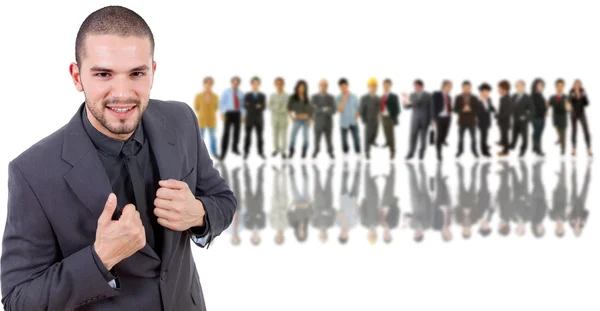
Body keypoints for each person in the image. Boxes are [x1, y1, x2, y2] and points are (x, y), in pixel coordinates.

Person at [1, 6, 236, 311]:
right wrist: (99, 259)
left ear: (153, 72)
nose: (122, 93)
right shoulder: (32, 172)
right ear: (77, 76)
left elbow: (223, 199)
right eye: (103, 74)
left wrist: (200, 214)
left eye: (137, 73)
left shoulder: (180, 120)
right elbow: (18, 299)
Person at [402, 79, 435, 160]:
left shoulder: (428, 95)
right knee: (412, 136)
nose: (415, 87)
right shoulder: (412, 95)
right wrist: (405, 103)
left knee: (423, 137)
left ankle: (421, 154)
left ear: (421, 86)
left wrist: (432, 119)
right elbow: (407, 107)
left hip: (425, 119)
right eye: (414, 86)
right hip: (415, 119)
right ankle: (411, 153)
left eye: (416, 86)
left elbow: (432, 107)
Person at [219, 76, 244, 160]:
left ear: (238, 84)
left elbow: (242, 105)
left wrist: (243, 114)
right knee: (226, 133)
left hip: (237, 113)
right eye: (234, 82)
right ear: (232, 82)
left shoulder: (241, 93)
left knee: (237, 132)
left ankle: (235, 148)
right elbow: (222, 103)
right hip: (229, 113)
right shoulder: (226, 91)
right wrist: (222, 113)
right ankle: (223, 152)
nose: (235, 84)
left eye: (237, 82)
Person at [453, 80, 481, 158]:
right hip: (461, 122)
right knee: (460, 138)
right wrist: (462, 109)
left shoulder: (475, 97)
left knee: (473, 138)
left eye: (468, 88)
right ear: (462, 88)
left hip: (472, 122)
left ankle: (474, 151)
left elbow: (478, 110)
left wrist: (470, 109)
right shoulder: (458, 97)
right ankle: (460, 151)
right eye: (465, 88)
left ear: (470, 88)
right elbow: (455, 109)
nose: (467, 89)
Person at [287, 80, 314, 158]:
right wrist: (292, 118)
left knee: (306, 136)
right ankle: (291, 150)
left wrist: (310, 119)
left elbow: (311, 110)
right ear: (297, 87)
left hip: (306, 120)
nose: (301, 89)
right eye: (300, 87)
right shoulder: (293, 97)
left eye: (303, 87)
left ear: (305, 88)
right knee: (293, 135)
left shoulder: (307, 98)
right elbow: (289, 109)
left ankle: (304, 150)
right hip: (297, 119)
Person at [194, 76, 219, 158]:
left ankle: (214, 152)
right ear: (204, 84)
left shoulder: (215, 96)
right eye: (207, 83)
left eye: (210, 83)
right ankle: (200, 153)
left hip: (211, 119)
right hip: (202, 119)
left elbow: (216, 107)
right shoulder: (199, 96)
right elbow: (196, 107)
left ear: (212, 85)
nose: (208, 85)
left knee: (213, 137)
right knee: (200, 137)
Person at [242, 76, 266, 160]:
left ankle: (261, 152)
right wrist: (257, 106)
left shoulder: (262, 96)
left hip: (259, 119)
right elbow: (245, 106)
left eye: (257, 83)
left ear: (259, 85)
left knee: (260, 136)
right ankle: (246, 152)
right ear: (251, 85)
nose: (255, 85)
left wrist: (251, 105)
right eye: (254, 83)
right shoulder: (247, 95)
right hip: (249, 118)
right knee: (247, 136)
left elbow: (263, 107)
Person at [311, 79, 336, 159]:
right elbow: (313, 110)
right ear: (319, 86)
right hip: (318, 123)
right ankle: (316, 150)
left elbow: (333, 110)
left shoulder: (331, 97)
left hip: (328, 123)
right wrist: (325, 108)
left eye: (325, 85)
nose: (323, 87)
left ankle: (330, 151)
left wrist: (319, 108)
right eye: (322, 85)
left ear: (327, 87)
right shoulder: (314, 97)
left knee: (329, 139)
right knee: (316, 139)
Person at [336, 78, 361, 156]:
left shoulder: (354, 96)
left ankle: (358, 153)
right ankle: (345, 154)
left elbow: (358, 108)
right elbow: (339, 110)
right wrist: (344, 98)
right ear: (339, 87)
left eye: (345, 86)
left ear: (348, 86)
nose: (343, 88)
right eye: (341, 86)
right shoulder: (337, 98)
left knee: (357, 139)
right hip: (343, 123)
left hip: (353, 122)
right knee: (344, 141)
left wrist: (357, 117)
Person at [359, 77, 382, 160]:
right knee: (367, 136)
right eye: (371, 86)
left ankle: (373, 141)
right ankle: (367, 151)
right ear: (368, 87)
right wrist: (364, 120)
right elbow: (361, 110)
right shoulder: (364, 98)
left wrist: (379, 113)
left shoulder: (378, 98)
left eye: (375, 86)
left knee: (375, 132)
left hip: (376, 119)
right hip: (368, 120)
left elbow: (379, 108)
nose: (373, 88)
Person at [569, 79, 592, 157]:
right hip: (573, 113)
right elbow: (569, 102)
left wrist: (583, 96)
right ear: (574, 85)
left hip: (582, 113)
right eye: (576, 84)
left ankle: (589, 148)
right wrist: (574, 96)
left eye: (578, 84)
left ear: (580, 85)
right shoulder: (571, 92)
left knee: (586, 130)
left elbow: (587, 103)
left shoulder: (583, 92)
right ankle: (574, 149)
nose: (577, 86)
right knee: (574, 131)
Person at [510, 80, 533, 157]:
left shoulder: (528, 97)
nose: (518, 87)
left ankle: (523, 150)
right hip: (515, 119)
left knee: (524, 137)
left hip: (523, 121)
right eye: (517, 86)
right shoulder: (513, 96)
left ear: (523, 87)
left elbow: (532, 110)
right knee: (514, 135)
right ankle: (512, 146)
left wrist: (525, 116)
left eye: (520, 85)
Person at [269, 77, 290, 159]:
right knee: (275, 135)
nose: (279, 85)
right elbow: (269, 107)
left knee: (284, 135)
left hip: (283, 118)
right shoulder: (272, 95)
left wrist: (275, 107)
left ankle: (283, 151)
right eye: (277, 83)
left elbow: (286, 108)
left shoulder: (287, 96)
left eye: (280, 83)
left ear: (283, 84)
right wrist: (279, 106)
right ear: (275, 85)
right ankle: (276, 149)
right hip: (274, 118)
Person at [432, 80, 453, 161]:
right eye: (448, 86)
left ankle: (443, 140)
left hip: (448, 117)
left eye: (451, 87)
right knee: (439, 135)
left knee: (446, 132)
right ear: (443, 86)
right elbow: (432, 106)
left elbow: (449, 107)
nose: (450, 88)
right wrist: (432, 118)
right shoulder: (436, 94)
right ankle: (439, 153)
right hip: (439, 118)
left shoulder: (449, 96)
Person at [380, 78, 401, 159]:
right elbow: (381, 106)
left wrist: (392, 116)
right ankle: (387, 142)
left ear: (390, 86)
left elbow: (398, 109)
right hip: (383, 117)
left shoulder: (394, 96)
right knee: (385, 132)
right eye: (384, 85)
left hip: (390, 118)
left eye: (387, 85)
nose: (385, 86)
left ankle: (392, 151)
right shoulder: (382, 96)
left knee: (391, 135)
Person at [548, 78, 570, 155]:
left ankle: (563, 150)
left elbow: (568, 108)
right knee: (558, 131)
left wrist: (568, 108)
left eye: (561, 86)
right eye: (558, 86)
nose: (559, 88)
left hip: (563, 119)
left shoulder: (566, 97)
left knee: (563, 135)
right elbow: (547, 105)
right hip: (555, 119)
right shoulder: (552, 97)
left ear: (563, 87)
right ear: (555, 86)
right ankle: (560, 139)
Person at [477, 83, 496, 157]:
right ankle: (484, 151)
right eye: (486, 91)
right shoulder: (477, 101)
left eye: (488, 91)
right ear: (481, 92)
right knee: (483, 136)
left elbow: (491, 107)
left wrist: (495, 110)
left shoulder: (489, 99)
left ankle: (485, 145)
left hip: (488, 120)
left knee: (486, 135)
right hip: (481, 122)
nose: (488, 93)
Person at [530, 78, 547, 156]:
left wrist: (546, 109)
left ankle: (535, 147)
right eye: (540, 85)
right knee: (538, 134)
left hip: (542, 117)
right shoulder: (532, 95)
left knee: (537, 133)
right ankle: (538, 150)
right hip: (536, 118)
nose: (541, 86)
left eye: (542, 85)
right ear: (536, 85)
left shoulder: (541, 95)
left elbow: (543, 106)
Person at [496, 80, 513, 156]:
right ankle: (502, 142)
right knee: (503, 135)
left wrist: (497, 116)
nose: (498, 90)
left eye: (499, 88)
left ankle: (505, 151)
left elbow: (507, 113)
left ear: (504, 89)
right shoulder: (503, 98)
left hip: (505, 122)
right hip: (502, 122)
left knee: (505, 136)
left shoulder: (507, 99)